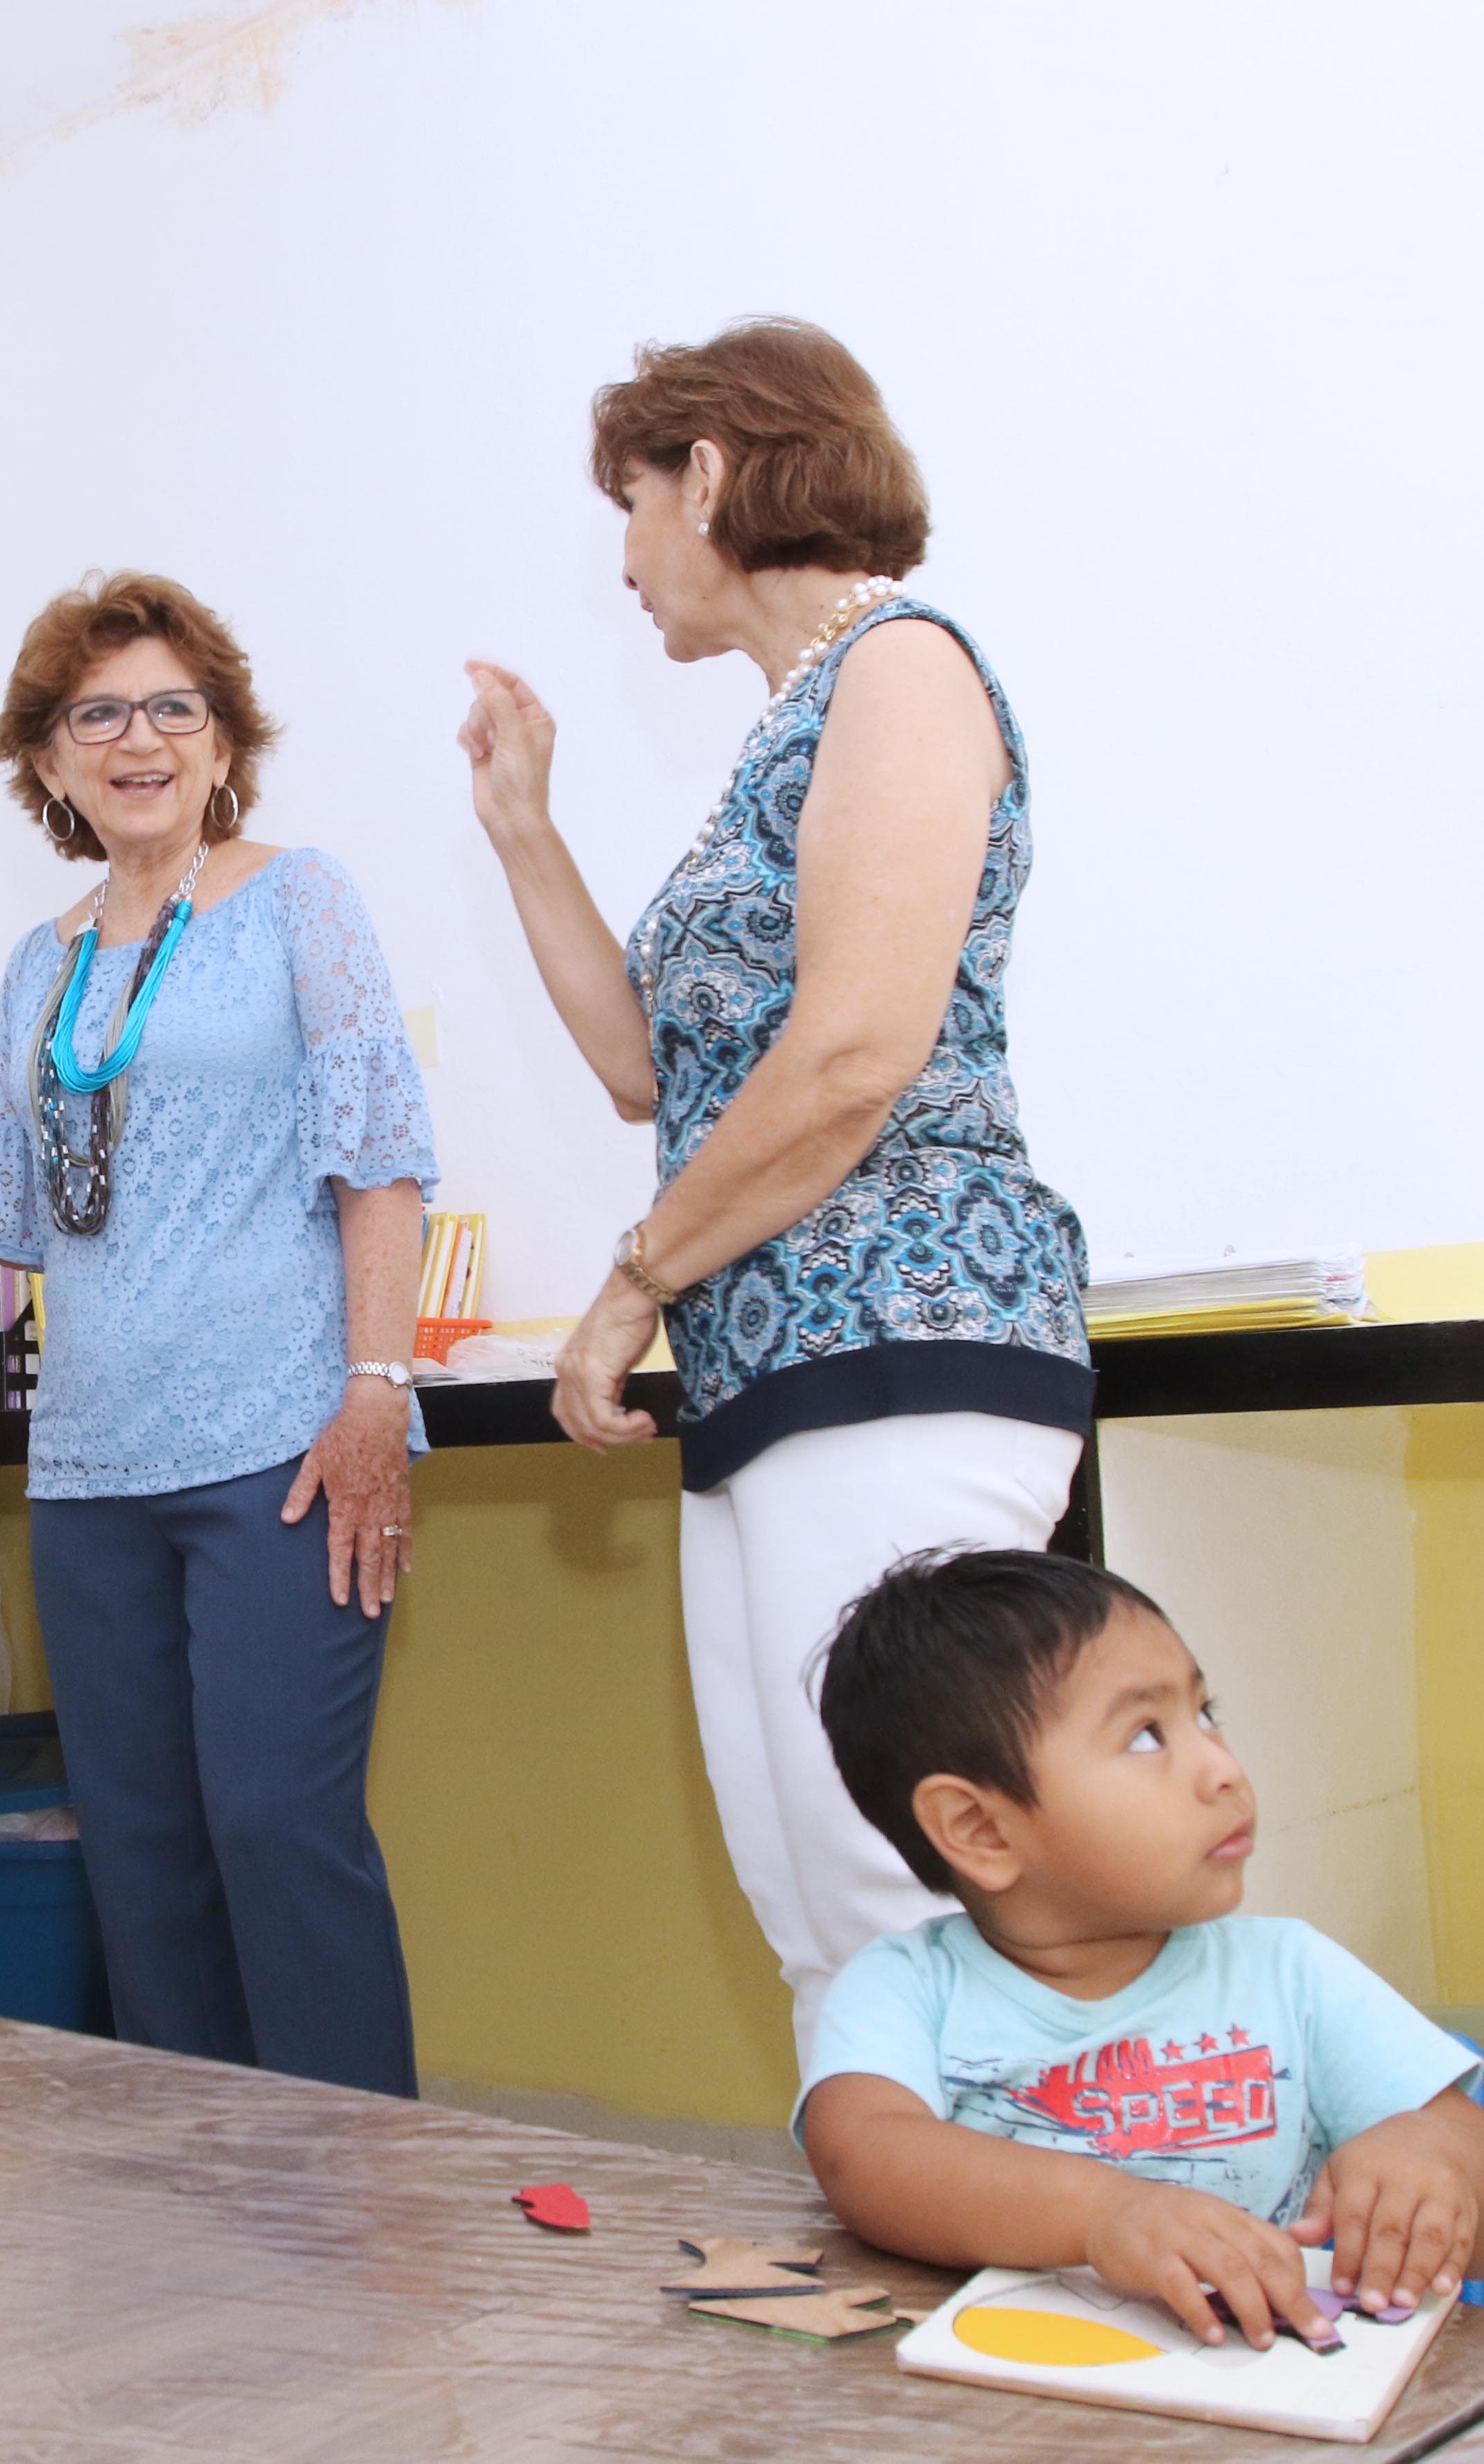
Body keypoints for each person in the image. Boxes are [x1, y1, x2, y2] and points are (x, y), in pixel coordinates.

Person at [457, 319, 1095, 2060]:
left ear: (713, 474)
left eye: (633, 499)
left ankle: (1051, 2281)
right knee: (810, 1895)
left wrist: (628, 1283)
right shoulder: (784, 733)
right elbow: (648, 1075)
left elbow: (849, 1058)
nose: (625, 552)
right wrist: (522, 824)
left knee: (898, 1872)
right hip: (770, 1365)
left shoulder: (902, 667)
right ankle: (907, 2259)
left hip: (900, 1333)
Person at [0, 572, 436, 2099]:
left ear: (222, 741)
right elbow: (6, 1209)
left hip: (284, 1446)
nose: (139, 738)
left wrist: (375, 1393)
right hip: (88, 1473)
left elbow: (378, 1155)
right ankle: (192, 2201)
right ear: (51, 759)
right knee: (139, 1852)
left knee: (278, 1825)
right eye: (98, 714)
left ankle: (360, 2183)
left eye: (172, 707)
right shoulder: (39, 965)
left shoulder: (298, 899)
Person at [796, 1551, 1484, 2347]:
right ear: (979, 1830)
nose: (1224, 1769)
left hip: (1273, 2400)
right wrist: (1107, 2215)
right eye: (1148, 1736)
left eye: (1207, 1713)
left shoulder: (1290, 1974)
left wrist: (1435, 2159)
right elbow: (864, 2158)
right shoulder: (907, 1989)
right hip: (1024, 2414)